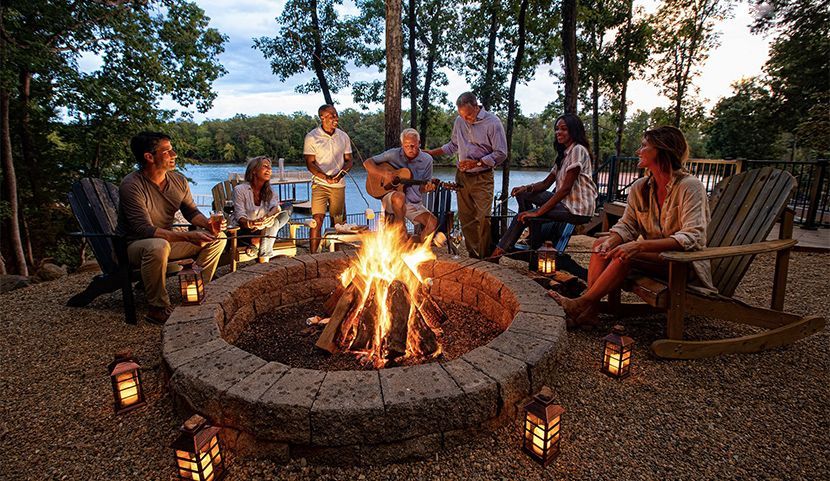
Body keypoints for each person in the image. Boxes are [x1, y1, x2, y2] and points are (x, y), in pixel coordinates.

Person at [549, 126, 715, 328]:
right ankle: (590, 312)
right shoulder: (641, 187)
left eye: (644, 146)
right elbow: (628, 225)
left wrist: (638, 246)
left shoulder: (689, 186)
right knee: (602, 244)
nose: (638, 151)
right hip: (653, 259)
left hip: (682, 264)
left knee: (625, 254)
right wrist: (612, 240)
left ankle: (582, 303)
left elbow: (692, 237)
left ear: (662, 150)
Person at [117, 131, 227, 324]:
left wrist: (207, 224)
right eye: (167, 151)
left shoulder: (178, 181)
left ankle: (198, 287)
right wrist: (187, 237)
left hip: (165, 242)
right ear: (149, 157)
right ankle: (157, 308)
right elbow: (144, 230)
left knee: (218, 238)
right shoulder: (132, 185)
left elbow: (191, 212)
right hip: (133, 246)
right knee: (157, 246)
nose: (174, 154)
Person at [490, 113, 597, 259]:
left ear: (574, 130)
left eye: (564, 129)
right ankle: (532, 231)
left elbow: (565, 189)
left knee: (522, 216)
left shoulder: (578, 150)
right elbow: (546, 184)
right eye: (557, 129)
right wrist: (525, 188)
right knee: (522, 195)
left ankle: (495, 255)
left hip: (577, 208)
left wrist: (537, 212)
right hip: (564, 203)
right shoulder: (563, 155)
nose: (558, 132)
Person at [425, 92, 507, 258]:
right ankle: (473, 255)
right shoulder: (459, 121)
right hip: (462, 176)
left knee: (484, 217)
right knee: (466, 218)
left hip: (482, 177)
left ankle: (486, 258)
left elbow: (501, 153)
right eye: (462, 115)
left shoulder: (493, 123)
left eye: (469, 114)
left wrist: (477, 163)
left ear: (476, 106)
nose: (466, 119)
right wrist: (430, 153)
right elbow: (453, 145)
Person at [363, 128, 438, 241]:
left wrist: (426, 188)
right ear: (402, 144)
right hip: (393, 198)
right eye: (406, 146)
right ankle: (401, 228)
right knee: (399, 196)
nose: (410, 149)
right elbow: (367, 163)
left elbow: (423, 186)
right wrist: (384, 173)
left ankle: (416, 245)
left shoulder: (427, 160)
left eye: (413, 145)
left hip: (413, 203)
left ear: (419, 143)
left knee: (432, 223)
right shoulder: (393, 154)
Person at [303, 104, 354, 253]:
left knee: (337, 222)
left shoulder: (343, 136)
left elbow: (349, 160)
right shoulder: (312, 137)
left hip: (338, 185)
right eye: (332, 116)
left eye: (336, 115)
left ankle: (335, 254)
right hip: (319, 184)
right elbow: (310, 163)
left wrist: (341, 174)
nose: (335, 118)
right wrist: (325, 177)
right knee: (316, 220)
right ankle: (313, 255)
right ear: (322, 118)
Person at [232, 156, 292, 263]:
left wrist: (269, 217)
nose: (269, 169)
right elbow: (240, 217)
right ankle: (263, 258)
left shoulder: (270, 192)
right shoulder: (240, 190)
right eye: (265, 166)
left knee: (285, 213)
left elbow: (275, 207)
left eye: (270, 167)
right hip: (244, 231)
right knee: (274, 224)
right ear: (254, 171)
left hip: (264, 228)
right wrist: (253, 223)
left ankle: (258, 243)